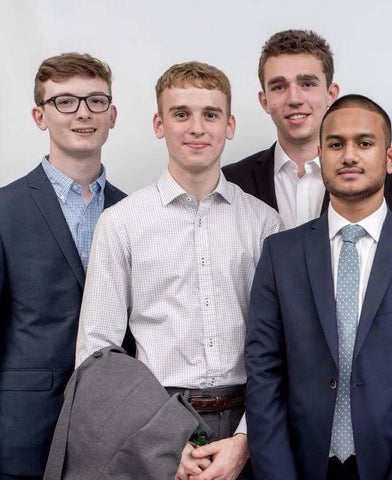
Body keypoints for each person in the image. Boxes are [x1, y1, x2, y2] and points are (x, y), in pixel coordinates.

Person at [75, 61, 282, 480]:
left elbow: (283, 345)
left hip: (248, 419)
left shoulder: (265, 224)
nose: (197, 128)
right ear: (158, 123)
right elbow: (96, 350)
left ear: (230, 124)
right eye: (181, 114)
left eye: (211, 114)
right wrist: (166, 441)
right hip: (154, 417)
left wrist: (246, 439)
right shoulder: (121, 223)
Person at [245, 94, 392, 480]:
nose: (349, 155)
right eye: (336, 144)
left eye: (364, 143)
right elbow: (264, 373)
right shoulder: (280, 254)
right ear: (320, 154)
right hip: (300, 465)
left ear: (390, 156)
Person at [0, 52, 124, 479]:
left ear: (112, 115)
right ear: (40, 115)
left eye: (95, 101)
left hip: (116, 428)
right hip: (23, 428)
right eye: (65, 102)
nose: (82, 114)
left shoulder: (135, 213)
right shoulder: (4, 210)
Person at [222, 29, 392, 229]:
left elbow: (390, 248)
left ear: (330, 94)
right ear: (264, 100)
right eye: (279, 87)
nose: (294, 99)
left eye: (307, 84)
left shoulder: (372, 173)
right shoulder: (232, 180)